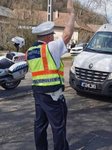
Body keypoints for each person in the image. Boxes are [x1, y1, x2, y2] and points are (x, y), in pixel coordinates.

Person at [25, 0, 75, 150]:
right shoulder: (50, 47)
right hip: (53, 95)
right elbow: (67, 35)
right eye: (52, 35)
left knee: (39, 126)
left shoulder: (29, 51)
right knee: (58, 128)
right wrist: (71, 14)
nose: (54, 38)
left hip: (39, 94)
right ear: (48, 37)